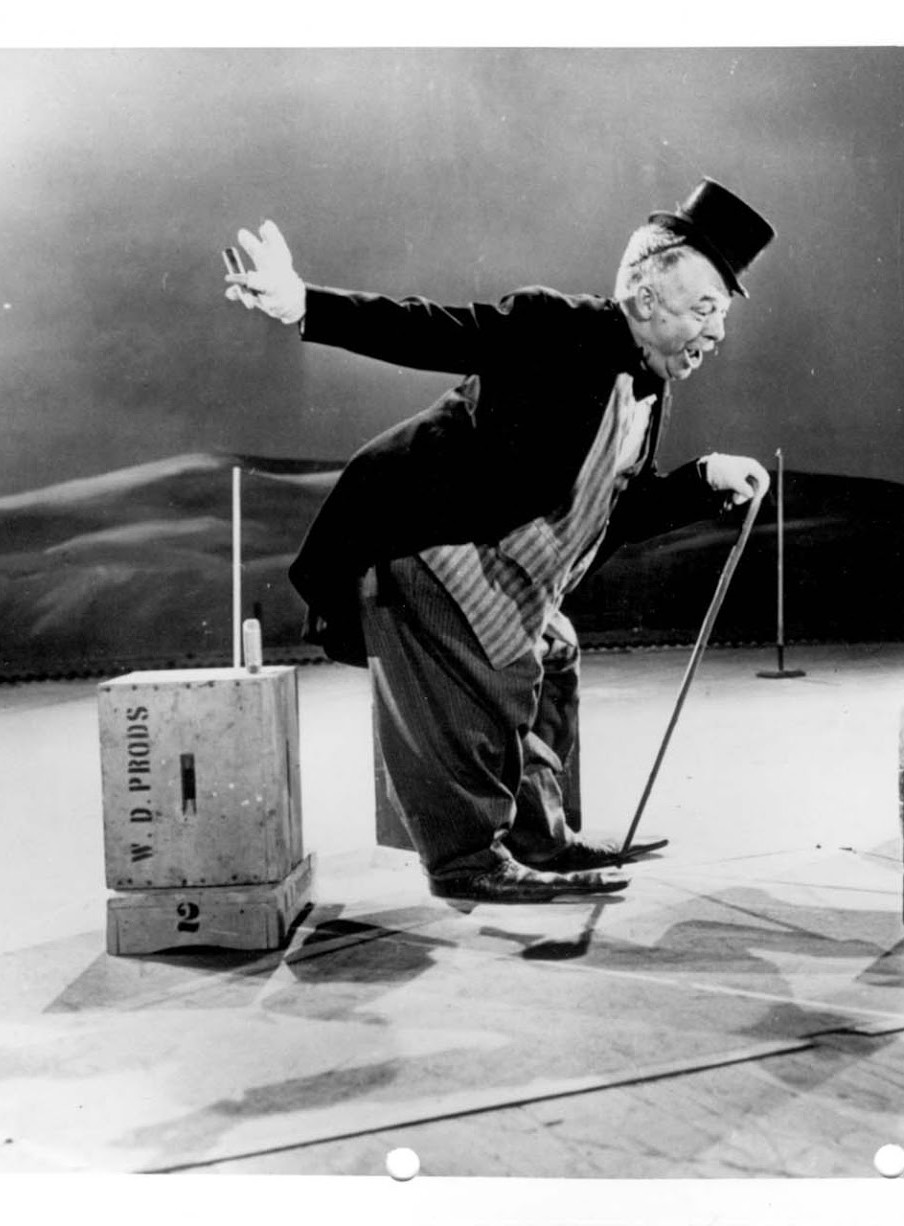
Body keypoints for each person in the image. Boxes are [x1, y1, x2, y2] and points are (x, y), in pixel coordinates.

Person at [225, 178, 775, 903]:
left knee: (554, 658)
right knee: (485, 676)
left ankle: (537, 836)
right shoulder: (559, 327)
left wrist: (703, 479)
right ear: (646, 299)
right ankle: (465, 860)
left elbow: (613, 507)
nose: (717, 333)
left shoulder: (646, 389)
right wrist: (306, 304)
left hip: (500, 560)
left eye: (722, 315)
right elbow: (438, 330)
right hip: (422, 538)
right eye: (705, 309)